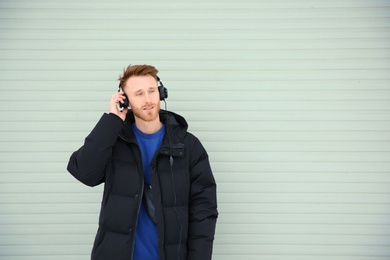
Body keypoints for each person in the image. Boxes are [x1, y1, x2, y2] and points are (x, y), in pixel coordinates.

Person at [67, 64, 218, 260]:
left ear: (161, 93)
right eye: (138, 94)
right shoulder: (114, 141)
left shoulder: (188, 146)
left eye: (152, 91)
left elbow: (204, 212)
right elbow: (83, 172)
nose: (148, 100)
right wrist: (112, 121)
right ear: (125, 100)